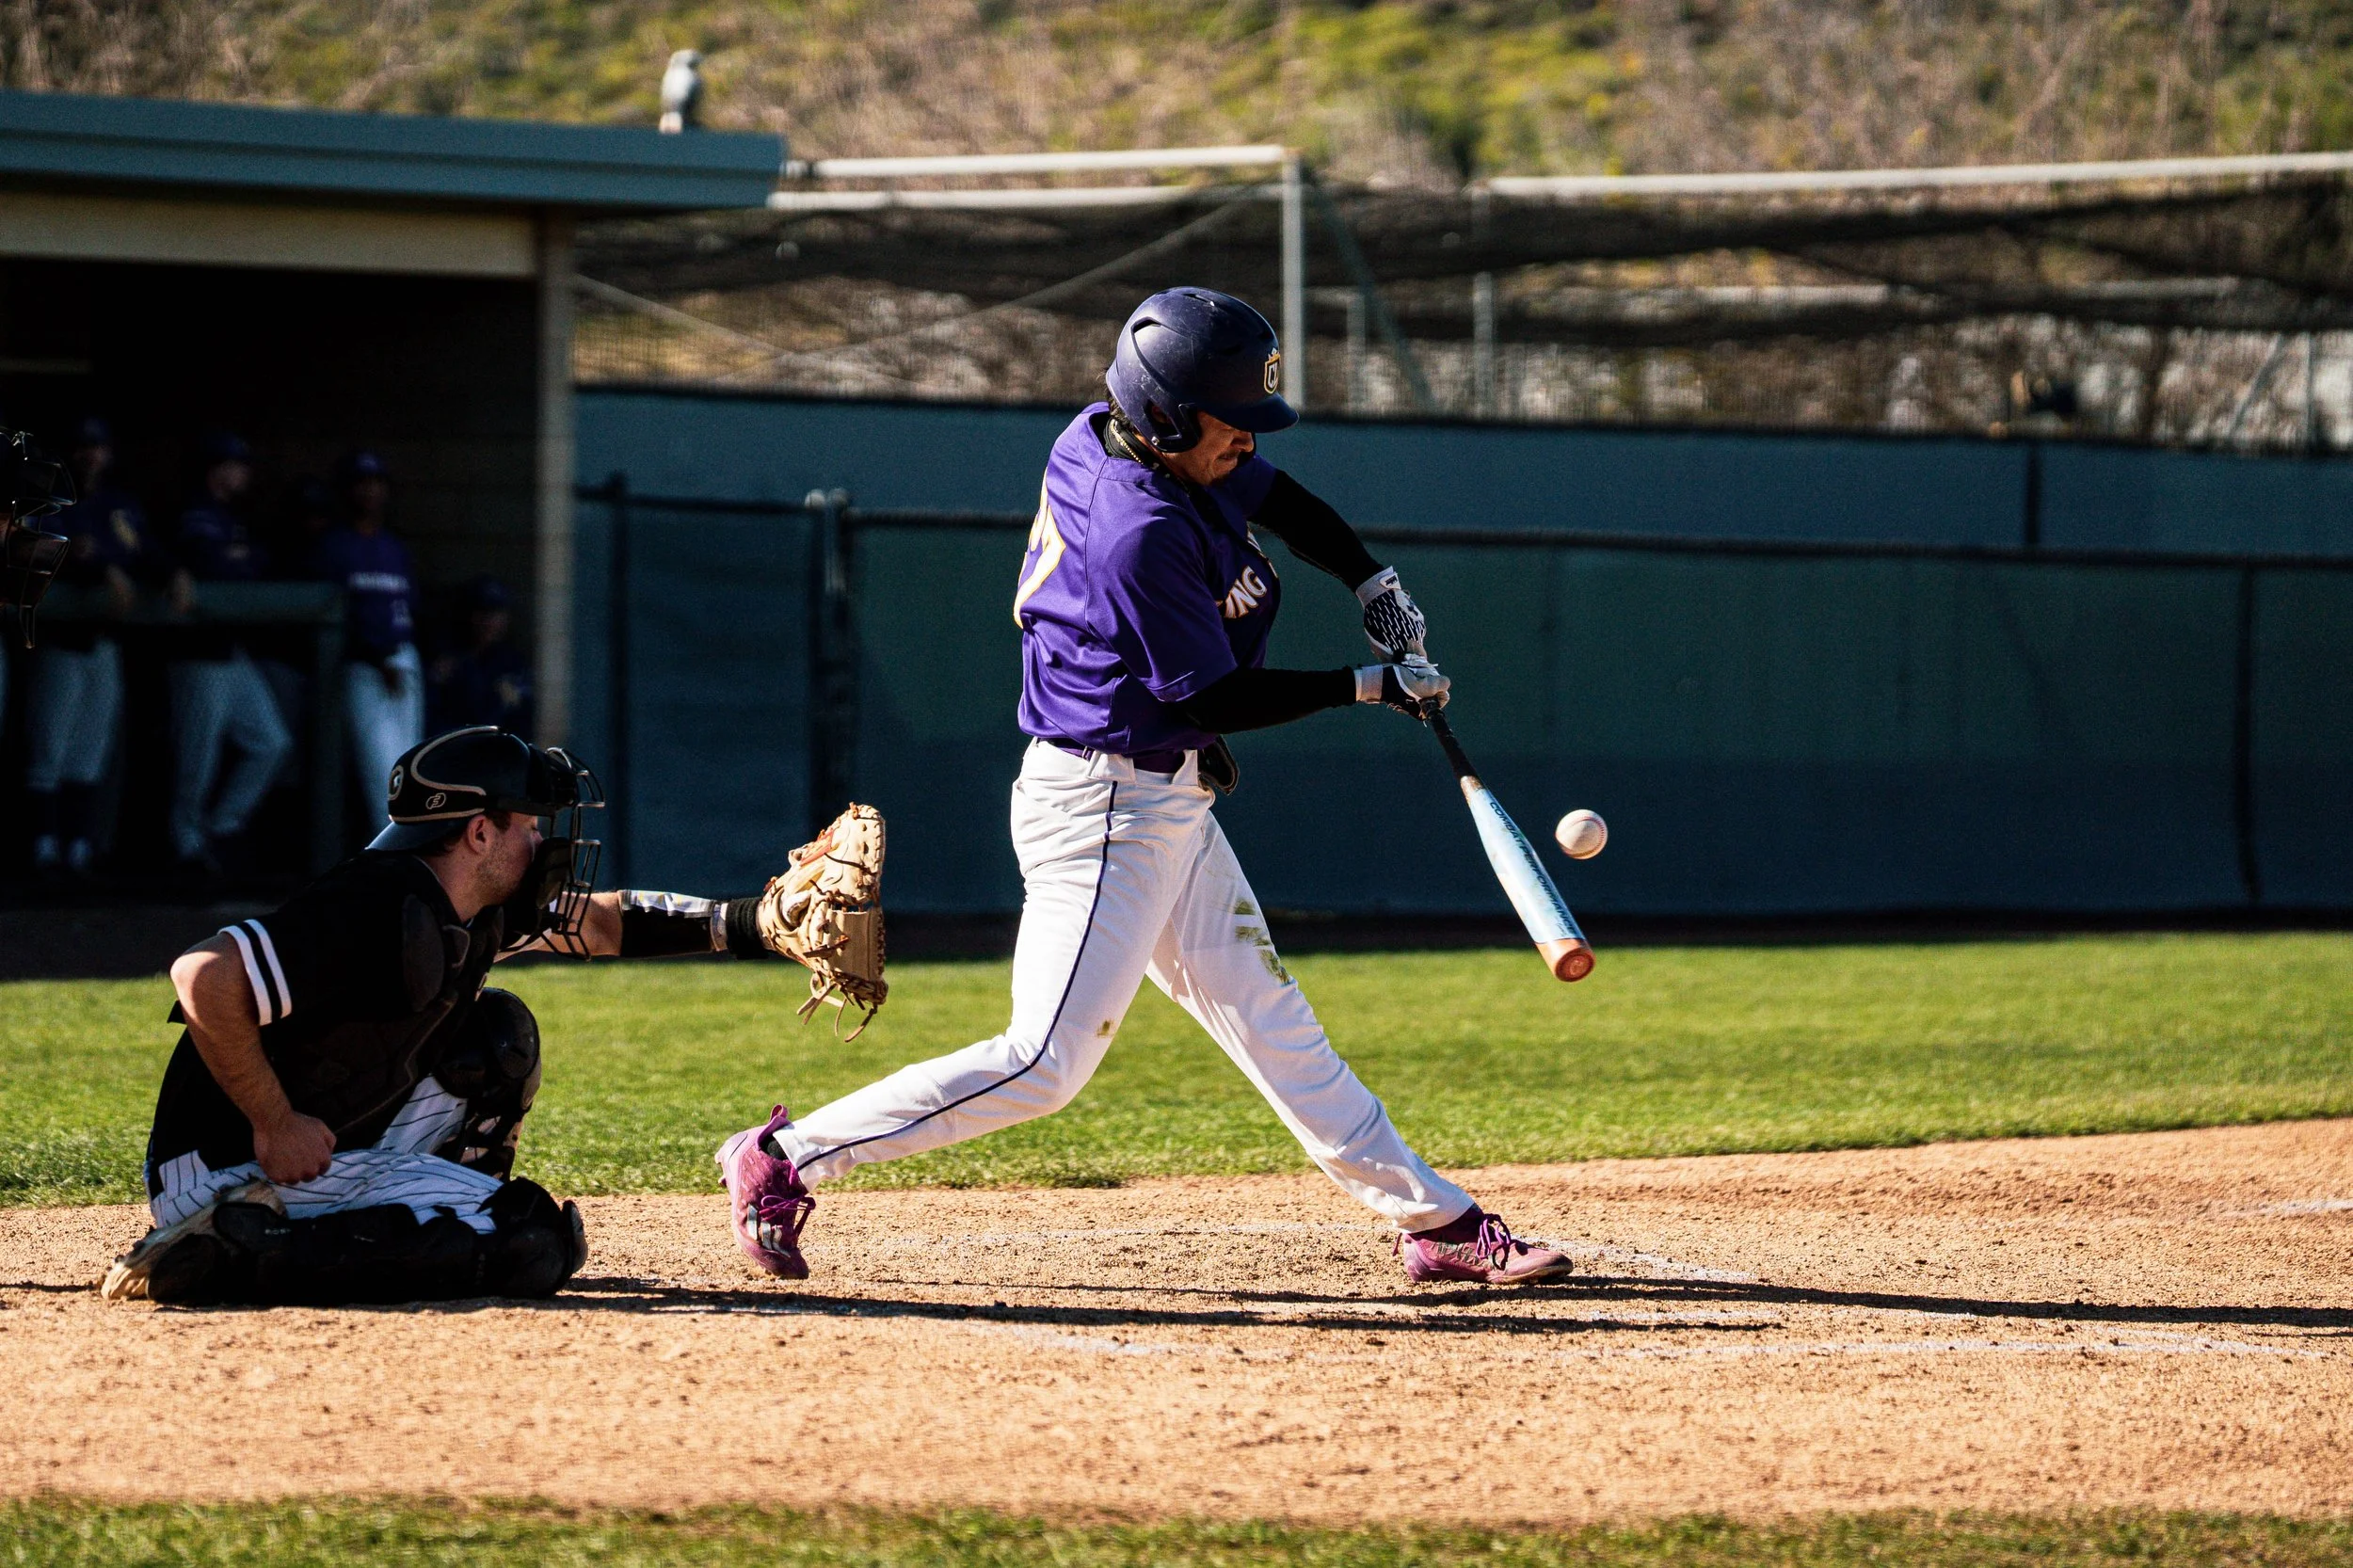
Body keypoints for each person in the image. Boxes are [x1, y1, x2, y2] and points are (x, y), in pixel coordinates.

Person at [715, 288, 1573, 1288]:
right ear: (1165, 417)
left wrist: (1370, 580)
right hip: (1107, 809)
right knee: (1043, 1063)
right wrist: (1368, 686)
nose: (1246, 440)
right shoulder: (1138, 527)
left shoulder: (1121, 434)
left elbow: (1279, 499)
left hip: (1163, 798)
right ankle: (782, 1158)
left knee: (1272, 1021)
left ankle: (1436, 1220)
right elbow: (1213, 692)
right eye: (1230, 422)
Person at [102, 726, 873, 1307]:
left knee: (497, 1038)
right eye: (529, 823)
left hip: (319, 1140)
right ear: (478, 832)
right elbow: (202, 974)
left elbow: (602, 922)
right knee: (529, 1241)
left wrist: (753, 926)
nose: (544, 840)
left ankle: (374, 1223)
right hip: (233, 1162)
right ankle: (232, 1252)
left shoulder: (470, 904)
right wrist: (272, 1121)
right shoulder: (375, 907)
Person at [26, 419, 175, 879]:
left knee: (90, 748)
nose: (92, 456)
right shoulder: (47, 495)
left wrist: (174, 572)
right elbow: (43, 550)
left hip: (105, 644)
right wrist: (101, 569)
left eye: (99, 448)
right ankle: (43, 847)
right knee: (49, 746)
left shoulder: (118, 505)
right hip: (59, 644)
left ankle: (79, 849)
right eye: (83, 447)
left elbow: (147, 551)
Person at [168, 432, 293, 877]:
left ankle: (222, 827)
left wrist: (239, 556)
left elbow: (259, 564)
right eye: (235, 465)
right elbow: (208, 564)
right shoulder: (194, 509)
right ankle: (187, 848)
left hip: (231, 652)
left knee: (271, 742)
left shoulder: (233, 516)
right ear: (216, 468)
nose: (243, 473)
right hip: (197, 654)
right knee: (195, 761)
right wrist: (234, 558)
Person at [314, 450, 424, 833]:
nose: (370, 492)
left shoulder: (394, 547)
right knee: (381, 776)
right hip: (364, 668)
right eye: (362, 484)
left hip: (402, 659)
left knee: (411, 771)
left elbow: (411, 611)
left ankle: (407, 859)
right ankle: (391, 865)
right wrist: (378, 659)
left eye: (377, 483)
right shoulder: (335, 546)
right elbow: (336, 617)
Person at [428, 574, 535, 735]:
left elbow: (520, 720)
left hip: (499, 749)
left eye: (496, 614)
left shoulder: (512, 664)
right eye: (483, 613)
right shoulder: (448, 658)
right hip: (453, 747)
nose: (490, 622)